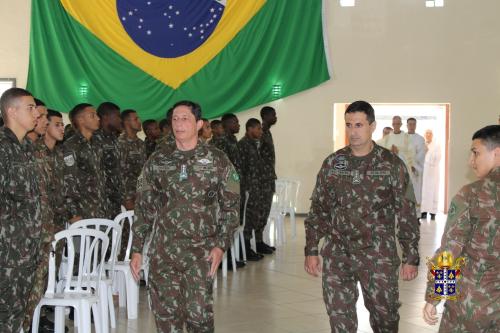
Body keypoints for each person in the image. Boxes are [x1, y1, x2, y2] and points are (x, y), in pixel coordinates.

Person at [304, 100, 420, 332]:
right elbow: (319, 209)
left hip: (378, 255)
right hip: (339, 253)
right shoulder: (333, 164)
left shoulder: (392, 165)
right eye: (348, 125)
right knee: (339, 320)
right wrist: (311, 249)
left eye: (358, 125)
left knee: (385, 318)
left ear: (372, 126)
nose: (353, 131)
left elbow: (406, 212)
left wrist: (411, 256)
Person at [129, 100, 240, 332]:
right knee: (167, 318)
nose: (179, 124)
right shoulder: (157, 161)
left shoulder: (218, 160)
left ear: (199, 124)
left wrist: (220, 246)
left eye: (185, 118)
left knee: (199, 316)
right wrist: (137, 248)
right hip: (164, 252)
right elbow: (143, 207)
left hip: (200, 253)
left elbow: (231, 207)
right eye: (175, 119)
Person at [423, 125, 499, 332]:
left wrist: (434, 296)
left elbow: (450, 252)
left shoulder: (472, 194)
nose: (471, 161)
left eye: (476, 153)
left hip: (473, 309)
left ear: (497, 152)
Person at [0, 88, 41, 332]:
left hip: (26, 250)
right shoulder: (3, 147)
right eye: (30, 108)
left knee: (16, 315)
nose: (36, 113)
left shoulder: (26, 147)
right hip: (6, 252)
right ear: (11, 111)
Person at [23, 109, 66, 333]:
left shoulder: (52, 153)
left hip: (51, 224)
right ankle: (29, 322)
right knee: (32, 279)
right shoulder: (30, 150)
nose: (38, 120)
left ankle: (36, 318)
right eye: (36, 116)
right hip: (32, 227)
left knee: (45, 276)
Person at [61, 103, 106, 223]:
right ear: (81, 120)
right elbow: (68, 181)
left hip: (100, 208)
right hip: (83, 212)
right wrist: (74, 213)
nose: (98, 118)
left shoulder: (97, 143)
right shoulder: (71, 146)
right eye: (92, 115)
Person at [238, 118, 271, 259]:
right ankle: (244, 249)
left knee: (254, 218)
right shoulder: (243, 145)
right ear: (250, 129)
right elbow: (240, 169)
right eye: (258, 128)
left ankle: (252, 245)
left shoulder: (255, 145)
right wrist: (244, 188)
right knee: (247, 219)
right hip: (248, 189)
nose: (260, 131)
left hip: (256, 187)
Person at [94, 101, 124, 220]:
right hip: (101, 198)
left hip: (115, 196)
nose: (120, 120)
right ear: (105, 117)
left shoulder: (114, 138)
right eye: (117, 116)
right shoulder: (94, 138)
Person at [118, 109, 147, 210]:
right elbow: (119, 173)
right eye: (136, 119)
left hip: (141, 192)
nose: (140, 121)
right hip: (129, 196)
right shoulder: (121, 143)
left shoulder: (141, 143)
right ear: (127, 122)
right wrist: (127, 198)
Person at [259, 106, 278, 252]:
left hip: (268, 178)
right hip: (261, 180)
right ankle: (257, 242)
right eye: (273, 115)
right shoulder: (260, 133)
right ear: (266, 116)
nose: (276, 117)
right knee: (260, 212)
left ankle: (260, 241)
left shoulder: (267, 132)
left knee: (265, 211)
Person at [421, 129, 441, 220]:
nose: (428, 135)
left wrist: (429, 153)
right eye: (427, 133)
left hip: (433, 172)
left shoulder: (436, 145)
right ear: (425, 135)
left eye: (430, 133)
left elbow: (438, 157)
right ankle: (423, 212)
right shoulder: (422, 144)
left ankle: (433, 212)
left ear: (432, 135)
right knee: (423, 192)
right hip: (423, 172)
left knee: (433, 191)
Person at [407, 117, 426, 213]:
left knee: (416, 191)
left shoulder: (420, 139)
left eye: (413, 124)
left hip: (415, 170)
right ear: (407, 125)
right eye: (410, 124)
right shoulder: (403, 138)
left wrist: (413, 165)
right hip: (404, 169)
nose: (411, 126)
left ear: (416, 125)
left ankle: (417, 215)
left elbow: (421, 154)